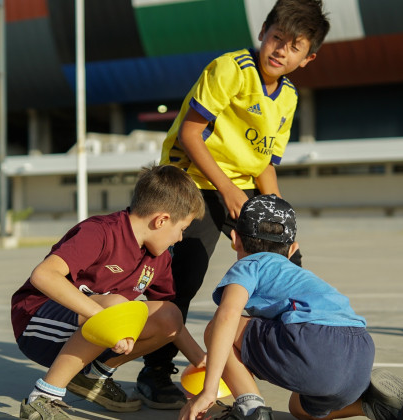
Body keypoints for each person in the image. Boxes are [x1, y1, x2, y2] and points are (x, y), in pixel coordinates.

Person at [136, 0, 331, 409]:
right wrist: (226, 191)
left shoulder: (288, 96)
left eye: (293, 46)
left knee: (289, 267)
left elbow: (265, 165)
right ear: (262, 31)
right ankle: (155, 370)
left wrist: (278, 212)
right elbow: (191, 133)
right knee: (185, 276)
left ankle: (293, 358)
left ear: (308, 58)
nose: (280, 49)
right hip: (192, 180)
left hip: (240, 186)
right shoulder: (230, 69)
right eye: (276, 37)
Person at [179, 194, 403, 420]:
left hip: (315, 344)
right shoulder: (298, 275)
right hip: (360, 352)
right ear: (293, 248)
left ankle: (251, 409)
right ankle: (370, 404)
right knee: (299, 408)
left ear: (235, 238)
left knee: (215, 329)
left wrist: (208, 391)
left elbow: (227, 317)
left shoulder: (250, 263)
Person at [11, 165, 207, 419]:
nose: (180, 238)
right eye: (182, 229)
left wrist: (201, 361)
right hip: (36, 322)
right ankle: (43, 397)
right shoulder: (99, 232)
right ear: (161, 220)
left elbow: (171, 325)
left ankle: (94, 376)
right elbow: (43, 276)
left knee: (168, 314)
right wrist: (109, 321)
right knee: (116, 305)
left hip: (93, 326)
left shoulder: (158, 259)